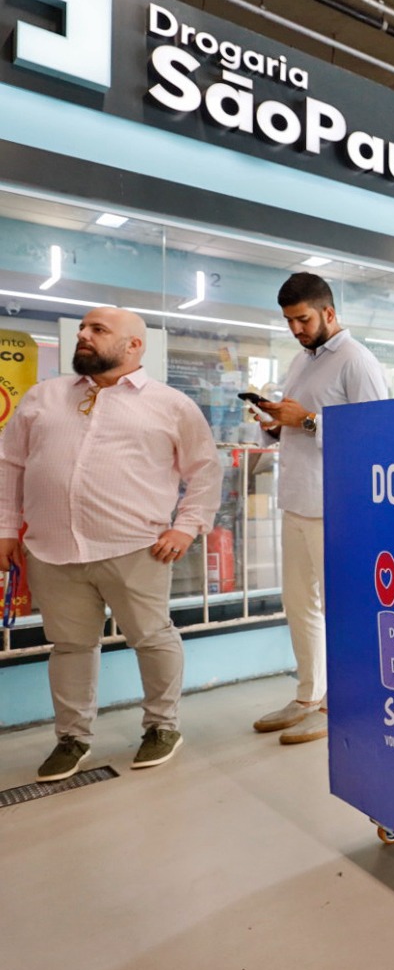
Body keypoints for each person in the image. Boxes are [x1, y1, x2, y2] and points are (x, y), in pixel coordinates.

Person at [0, 306, 221, 781]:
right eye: (83, 327)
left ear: (134, 345)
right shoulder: (44, 397)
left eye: (98, 329)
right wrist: (5, 528)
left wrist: (186, 526)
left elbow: (204, 469)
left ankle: (162, 727)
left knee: (152, 638)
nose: (84, 334)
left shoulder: (171, 405)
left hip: (135, 546)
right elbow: (9, 464)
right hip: (52, 548)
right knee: (70, 647)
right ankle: (72, 738)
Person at [250, 273, 387, 744]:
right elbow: (301, 424)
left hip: (338, 508)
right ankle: (309, 695)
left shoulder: (356, 361)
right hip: (296, 502)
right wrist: (276, 422)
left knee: (340, 609)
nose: (296, 329)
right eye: (289, 321)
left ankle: (341, 704)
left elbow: (377, 435)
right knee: (299, 605)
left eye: (303, 319)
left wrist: (307, 420)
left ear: (328, 312)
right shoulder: (301, 360)